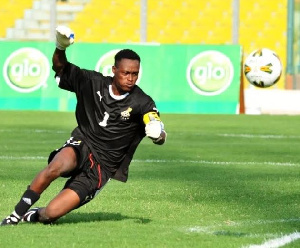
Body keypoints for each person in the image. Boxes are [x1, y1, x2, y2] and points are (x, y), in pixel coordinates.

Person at [1, 26, 166, 226]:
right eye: (125, 73)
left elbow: (156, 125)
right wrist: (60, 47)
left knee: (51, 214)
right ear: (114, 70)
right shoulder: (92, 82)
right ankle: (16, 214)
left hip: (102, 168)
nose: (130, 78)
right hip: (83, 142)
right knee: (56, 167)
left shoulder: (142, 102)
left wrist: (158, 134)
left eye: (135, 74)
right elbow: (60, 67)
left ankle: (35, 214)